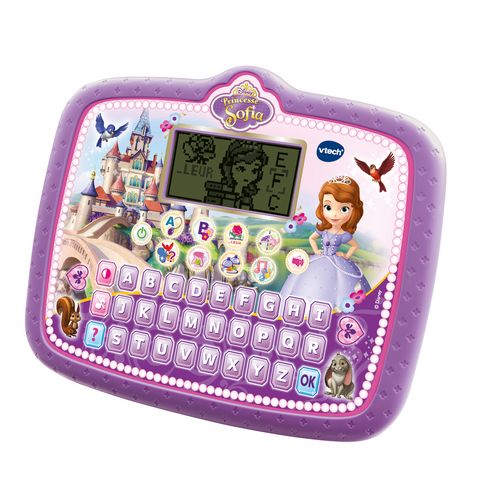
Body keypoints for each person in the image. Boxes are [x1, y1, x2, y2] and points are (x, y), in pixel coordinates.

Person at [280, 175, 370, 310]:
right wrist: (316, 251)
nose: (334, 214)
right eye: (328, 207)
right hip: (319, 259)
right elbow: (312, 238)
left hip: (338, 264)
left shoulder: (343, 234)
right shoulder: (324, 230)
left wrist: (346, 256)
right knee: (302, 282)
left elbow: (355, 246)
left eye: (343, 209)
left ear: (353, 211)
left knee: (342, 289)